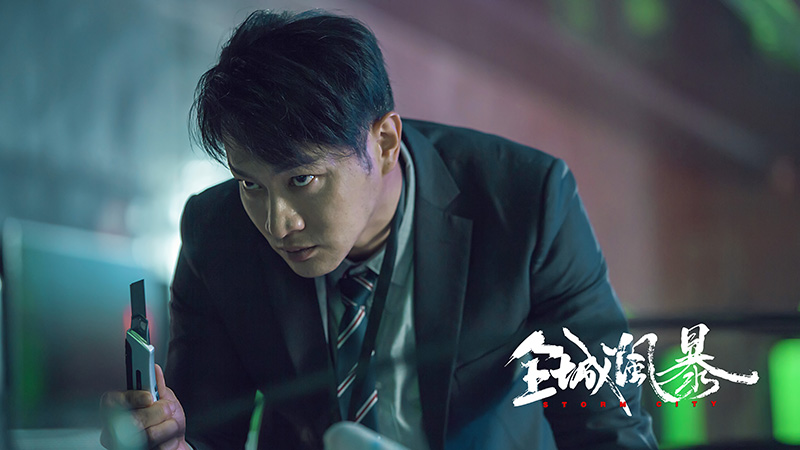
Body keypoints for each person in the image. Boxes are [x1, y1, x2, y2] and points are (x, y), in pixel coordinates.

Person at [101, 10, 658, 450]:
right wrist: (169, 443)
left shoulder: (527, 205)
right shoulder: (217, 232)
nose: (278, 223)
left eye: (302, 179)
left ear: (385, 143)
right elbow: (207, 432)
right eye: (251, 184)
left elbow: (608, 429)